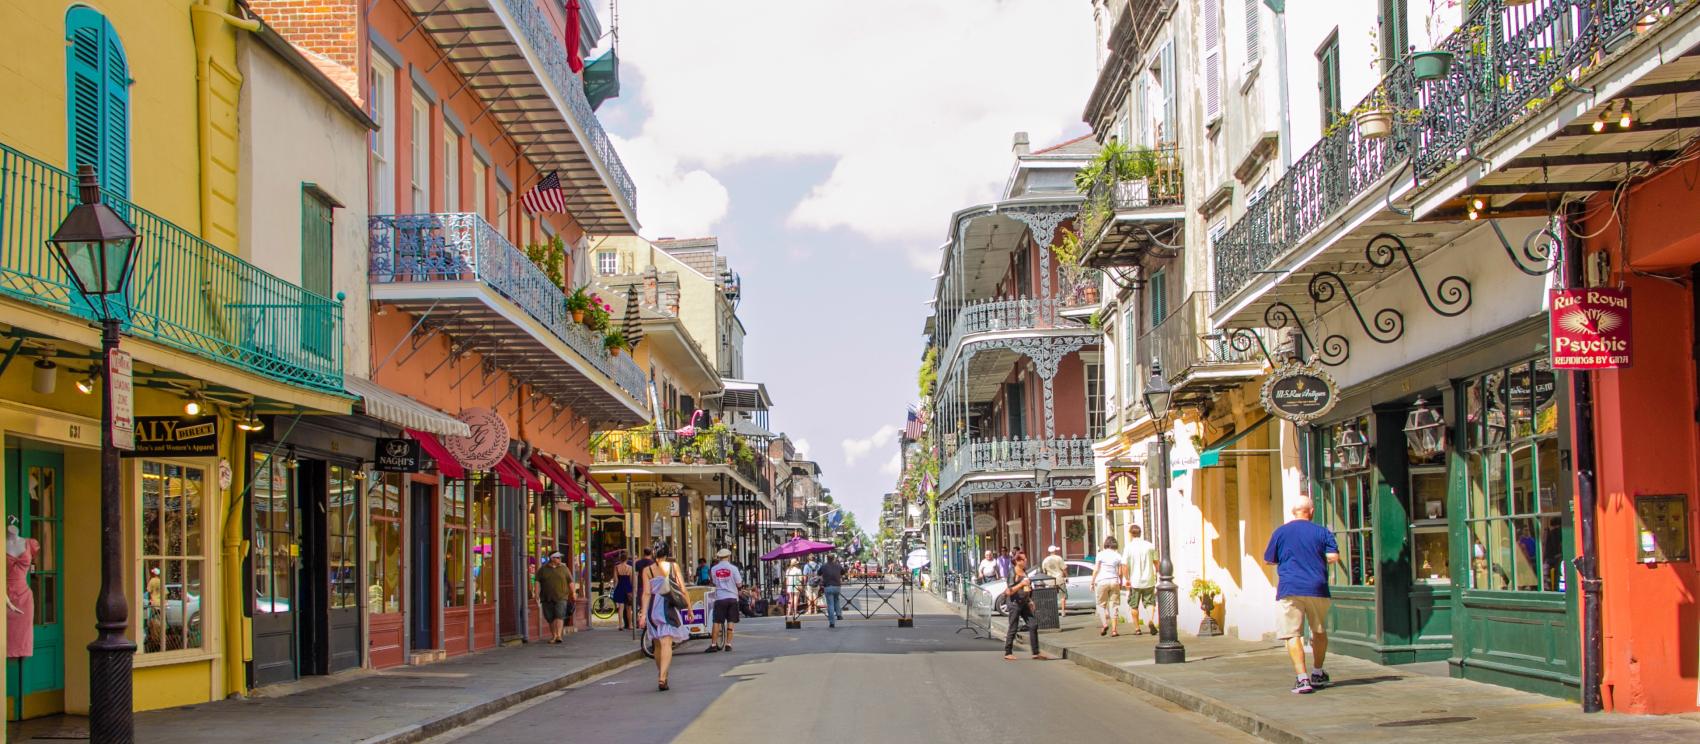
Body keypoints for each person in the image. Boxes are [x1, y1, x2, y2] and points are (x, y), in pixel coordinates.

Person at [1263, 497, 1341, 694]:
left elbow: (1269, 560)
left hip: (1290, 587)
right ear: (1311, 511)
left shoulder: (1280, 532)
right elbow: (1333, 556)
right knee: (1319, 630)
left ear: (1293, 511)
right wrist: (1315, 557)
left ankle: (1302, 678)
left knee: (1292, 633)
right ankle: (1317, 672)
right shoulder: (1322, 532)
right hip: (1317, 587)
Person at [638, 543, 690, 691]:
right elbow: (682, 589)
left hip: (652, 610)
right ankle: (662, 676)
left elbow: (646, 593)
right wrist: (689, 608)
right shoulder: (673, 567)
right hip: (667, 607)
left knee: (657, 645)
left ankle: (662, 674)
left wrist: (642, 614)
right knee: (666, 642)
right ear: (667, 553)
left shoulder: (647, 570)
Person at [1001, 551, 1049, 661]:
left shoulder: (1024, 571)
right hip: (1014, 603)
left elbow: (1027, 588)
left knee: (1033, 625)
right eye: (1024, 559)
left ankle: (1035, 652)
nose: (1026, 560)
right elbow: (1009, 591)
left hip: (1024, 602)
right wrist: (1021, 584)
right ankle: (1008, 652)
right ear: (1017, 561)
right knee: (1013, 627)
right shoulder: (1013, 573)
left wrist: (1030, 600)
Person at [706, 548, 742, 653]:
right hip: (732, 597)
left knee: (716, 621)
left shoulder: (714, 569)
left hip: (720, 597)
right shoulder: (733, 568)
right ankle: (728, 644)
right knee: (731, 621)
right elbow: (739, 583)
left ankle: (713, 644)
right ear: (728, 557)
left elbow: (713, 582)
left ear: (719, 557)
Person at [533, 552, 574, 643]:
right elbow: (537, 582)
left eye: (560, 558)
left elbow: (570, 581)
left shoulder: (564, 569)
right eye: (558, 558)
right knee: (550, 617)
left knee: (560, 615)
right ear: (552, 558)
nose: (560, 559)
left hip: (561, 596)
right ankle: (554, 635)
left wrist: (573, 592)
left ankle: (559, 635)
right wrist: (536, 593)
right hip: (546, 597)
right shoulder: (543, 570)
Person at [1124, 525, 1159, 634]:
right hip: (1149, 580)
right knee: (1150, 603)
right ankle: (1150, 620)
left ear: (1130, 534)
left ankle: (1137, 629)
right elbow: (1156, 562)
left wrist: (1127, 579)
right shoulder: (1150, 546)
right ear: (1140, 533)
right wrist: (1157, 573)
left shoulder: (1128, 547)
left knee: (1134, 605)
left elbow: (1124, 566)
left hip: (1135, 581)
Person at [1091, 536, 1127, 637]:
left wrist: (1092, 582)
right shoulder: (1118, 555)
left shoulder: (1100, 554)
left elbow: (1096, 569)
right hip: (1114, 581)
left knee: (1101, 604)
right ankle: (1114, 630)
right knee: (1114, 606)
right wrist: (1120, 582)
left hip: (1102, 581)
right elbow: (1120, 572)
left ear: (1106, 544)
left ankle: (1105, 624)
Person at [819, 554, 846, 628]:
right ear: (833, 558)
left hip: (828, 586)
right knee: (836, 600)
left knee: (830, 604)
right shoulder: (838, 565)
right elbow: (843, 572)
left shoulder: (823, 566)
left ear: (827, 559)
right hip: (837, 586)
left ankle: (832, 622)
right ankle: (839, 615)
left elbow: (819, 573)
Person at [1040, 546, 1068, 615]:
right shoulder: (1059, 558)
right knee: (1063, 596)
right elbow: (1064, 569)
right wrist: (1067, 576)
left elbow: (1044, 571)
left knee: (1051, 596)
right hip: (1059, 579)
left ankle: (1052, 611)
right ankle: (1063, 611)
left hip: (1050, 580)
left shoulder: (1045, 560)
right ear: (1055, 551)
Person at [611, 556, 635, 630]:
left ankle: (620, 625)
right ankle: (630, 625)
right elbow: (631, 579)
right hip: (628, 587)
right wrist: (632, 589)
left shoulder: (617, 567)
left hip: (620, 587)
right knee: (629, 607)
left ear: (620, 559)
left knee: (621, 607)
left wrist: (614, 588)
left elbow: (616, 579)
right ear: (627, 559)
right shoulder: (630, 568)